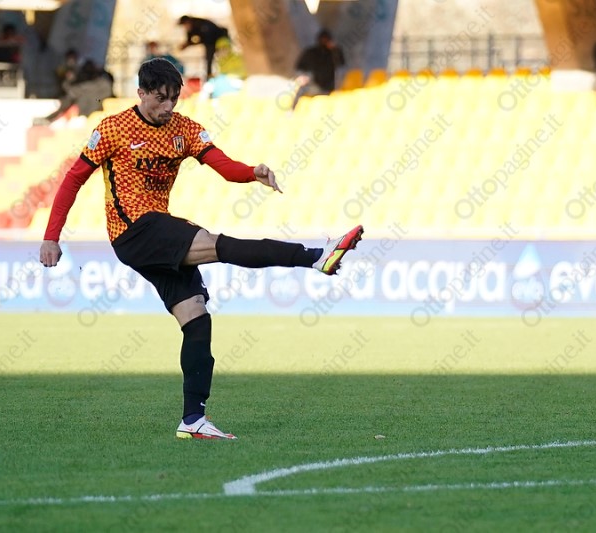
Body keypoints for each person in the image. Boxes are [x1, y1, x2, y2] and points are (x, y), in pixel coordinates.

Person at [39, 58, 363, 440]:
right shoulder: (113, 128)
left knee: (196, 317)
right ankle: (316, 257)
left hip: (159, 229)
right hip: (133, 230)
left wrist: (252, 172)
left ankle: (193, 420)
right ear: (141, 93)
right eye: (160, 98)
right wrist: (51, 236)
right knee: (218, 245)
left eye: (174, 99)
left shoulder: (185, 129)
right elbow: (73, 180)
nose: (168, 107)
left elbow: (222, 165)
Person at [37, 59, 114, 124]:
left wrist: (68, 83)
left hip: (86, 114)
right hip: (89, 114)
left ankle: (49, 119)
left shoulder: (99, 84)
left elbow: (77, 90)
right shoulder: (101, 83)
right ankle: (49, 119)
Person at [292, 29, 345, 109]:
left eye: (327, 40)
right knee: (301, 89)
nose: (324, 42)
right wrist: (301, 76)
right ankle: (292, 110)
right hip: (313, 85)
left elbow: (341, 64)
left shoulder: (333, 53)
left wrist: (335, 50)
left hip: (329, 87)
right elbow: (299, 68)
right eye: (323, 39)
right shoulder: (311, 53)